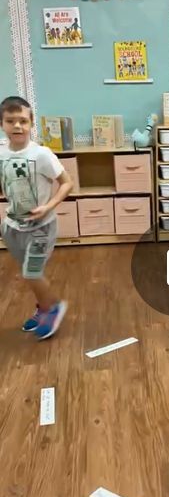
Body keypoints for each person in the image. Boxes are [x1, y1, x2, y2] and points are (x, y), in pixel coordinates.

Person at [0, 96, 73, 339]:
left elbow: (67, 183)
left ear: (31, 123)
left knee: (32, 272)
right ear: (2, 124)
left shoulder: (41, 154)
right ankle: (42, 308)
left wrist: (48, 206)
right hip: (11, 226)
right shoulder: (1, 154)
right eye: (11, 121)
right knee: (28, 272)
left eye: (23, 120)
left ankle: (53, 308)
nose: (17, 126)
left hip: (41, 226)